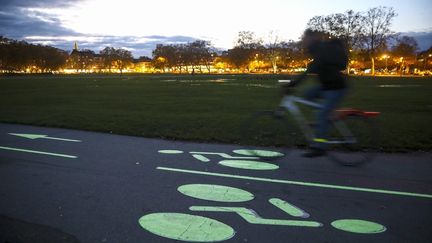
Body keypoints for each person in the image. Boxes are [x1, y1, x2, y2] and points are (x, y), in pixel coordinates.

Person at [287, 29, 349, 157]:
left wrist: (293, 84)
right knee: (307, 94)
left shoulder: (320, 50)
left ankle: (320, 147)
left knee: (321, 114)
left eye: (305, 38)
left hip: (336, 87)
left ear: (311, 39)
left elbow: (310, 69)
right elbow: (312, 68)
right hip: (326, 86)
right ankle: (325, 118)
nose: (303, 41)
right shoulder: (317, 50)